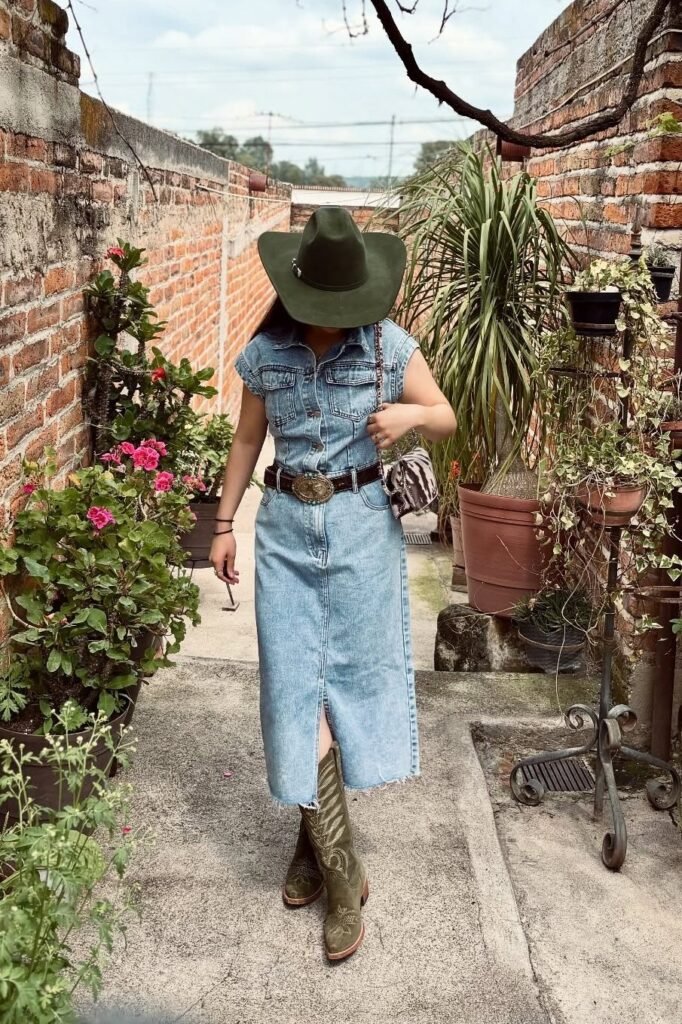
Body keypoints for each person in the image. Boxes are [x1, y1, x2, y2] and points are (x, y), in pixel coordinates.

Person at [210, 206, 456, 961]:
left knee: (345, 683)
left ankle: (315, 844)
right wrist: (222, 526)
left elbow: (443, 413)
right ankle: (344, 877)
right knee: (294, 686)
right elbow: (248, 439)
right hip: (284, 531)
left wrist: (407, 416)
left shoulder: (388, 345)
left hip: (361, 534)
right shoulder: (265, 354)